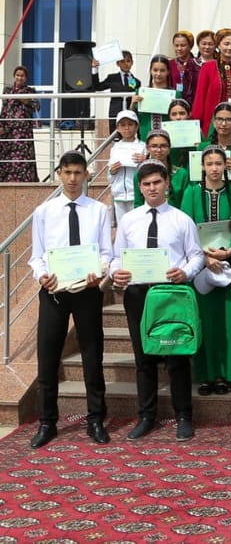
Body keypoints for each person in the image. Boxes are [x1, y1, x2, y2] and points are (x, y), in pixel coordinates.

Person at [111, 159, 204, 442]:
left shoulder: (181, 219)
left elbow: (197, 255)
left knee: (176, 357)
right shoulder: (129, 220)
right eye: (147, 184)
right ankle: (146, 416)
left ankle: (184, 417)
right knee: (144, 358)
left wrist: (185, 272)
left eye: (157, 182)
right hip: (138, 295)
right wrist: (116, 272)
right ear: (140, 187)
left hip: (170, 294)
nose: (152, 188)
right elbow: (116, 257)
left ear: (167, 184)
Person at [28, 151, 113, 448]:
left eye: (78, 173)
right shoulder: (44, 211)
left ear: (86, 175)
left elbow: (106, 253)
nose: (73, 178)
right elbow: (36, 256)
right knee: (48, 355)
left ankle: (95, 419)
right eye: (68, 172)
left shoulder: (99, 210)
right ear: (59, 174)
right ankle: (47, 422)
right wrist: (42, 276)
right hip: (54, 291)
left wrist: (99, 271)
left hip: (87, 290)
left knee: (92, 354)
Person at [181, 146, 231, 395]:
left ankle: (226, 375)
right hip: (201, 266)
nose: (214, 168)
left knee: (227, 323)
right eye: (209, 164)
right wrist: (205, 257)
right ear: (202, 166)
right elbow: (186, 229)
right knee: (206, 321)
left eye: (218, 163)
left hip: (228, 265)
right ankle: (206, 375)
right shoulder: (191, 193)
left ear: (225, 166)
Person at [192, 29, 231, 136]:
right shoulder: (208, 67)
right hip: (211, 122)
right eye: (226, 44)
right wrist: (196, 123)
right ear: (218, 45)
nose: (229, 48)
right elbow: (200, 97)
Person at [0, 65, 39, 182]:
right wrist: (1, 124)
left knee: (23, 156)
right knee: (7, 155)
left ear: (26, 78)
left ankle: (25, 180)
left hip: (23, 130)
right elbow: (4, 109)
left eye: (22, 76)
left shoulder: (30, 91)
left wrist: (24, 99)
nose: (19, 78)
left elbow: (36, 106)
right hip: (8, 129)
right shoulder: (7, 90)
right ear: (14, 76)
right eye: (17, 75)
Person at [108, 110, 146, 223]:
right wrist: (112, 171)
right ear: (118, 128)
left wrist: (145, 160)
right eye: (123, 125)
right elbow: (109, 176)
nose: (126, 128)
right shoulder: (115, 148)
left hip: (136, 194)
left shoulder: (143, 146)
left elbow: (149, 170)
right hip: (119, 194)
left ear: (137, 127)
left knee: (137, 224)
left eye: (130, 124)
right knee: (122, 225)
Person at [134, 129, 188, 208]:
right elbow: (138, 204)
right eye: (154, 146)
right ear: (147, 148)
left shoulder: (181, 174)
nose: (159, 150)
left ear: (169, 148)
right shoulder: (140, 174)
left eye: (163, 146)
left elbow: (185, 204)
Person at [169, 31, 198, 105]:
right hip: (174, 104)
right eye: (176, 45)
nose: (179, 48)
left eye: (183, 45)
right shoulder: (169, 64)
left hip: (193, 103)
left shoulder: (197, 64)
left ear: (190, 46)